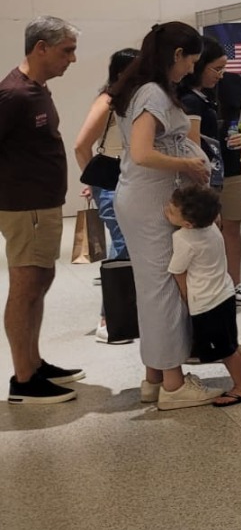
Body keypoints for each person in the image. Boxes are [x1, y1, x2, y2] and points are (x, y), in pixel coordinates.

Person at [112, 22, 221, 410]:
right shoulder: (152, 93)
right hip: (150, 198)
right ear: (177, 55)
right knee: (164, 287)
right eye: (190, 61)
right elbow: (143, 152)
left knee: (154, 285)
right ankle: (173, 384)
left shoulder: (141, 88)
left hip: (145, 196)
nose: (191, 69)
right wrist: (187, 166)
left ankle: (154, 376)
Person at [2, 17, 84, 403]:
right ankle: (23, 380)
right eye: (67, 50)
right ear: (41, 48)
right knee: (25, 287)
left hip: (44, 205)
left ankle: (34, 363)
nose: (73, 58)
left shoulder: (38, 90)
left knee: (40, 283)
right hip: (26, 207)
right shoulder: (14, 94)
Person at [180, 36, 241, 310]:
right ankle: (211, 290)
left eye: (223, 68)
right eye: (215, 68)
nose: (221, 74)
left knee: (231, 225)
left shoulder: (232, 83)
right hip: (202, 174)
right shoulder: (186, 97)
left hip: (231, 166)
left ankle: (234, 282)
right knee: (207, 230)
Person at [165, 185, 241, 406]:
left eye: (171, 211)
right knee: (230, 342)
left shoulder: (183, 238)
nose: (166, 211)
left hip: (206, 302)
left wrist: (185, 297)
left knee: (224, 350)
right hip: (225, 293)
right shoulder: (213, 227)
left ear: (188, 224)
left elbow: (178, 271)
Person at [73, 47, 139, 343]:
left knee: (129, 245)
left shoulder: (133, 100)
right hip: (113, 181)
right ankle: (108, 317)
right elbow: (81, 145)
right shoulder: (108, 101)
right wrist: (93, 178)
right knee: (122, 245)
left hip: (132, 178)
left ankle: (122, 313)